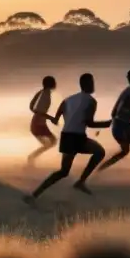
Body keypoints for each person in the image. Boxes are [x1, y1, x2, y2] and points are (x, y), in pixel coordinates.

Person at [25, 72, 111, 202]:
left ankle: (34, 195)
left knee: (63, 171)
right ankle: (81, 182)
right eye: (92, 82)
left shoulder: (69, 99)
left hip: (66, 136)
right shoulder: (91, 101)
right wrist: (108, 123)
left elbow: (57, 115)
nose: (94, 85)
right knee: (99, 152)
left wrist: (62, 119)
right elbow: (90, 123)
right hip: (77, 138)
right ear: (87, 84)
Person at [27, 75, 59, 165]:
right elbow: (40, 111)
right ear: (51, 84)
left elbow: (31, 106)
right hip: (38, 124)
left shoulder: (41, 92)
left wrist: (37, 113)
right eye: (54, 82)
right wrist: (52, 118)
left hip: (38, 122)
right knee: (53, 141)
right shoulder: (46, 94)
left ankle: (32, 157)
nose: (56, 84)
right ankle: (32, 157)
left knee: (52, 142)